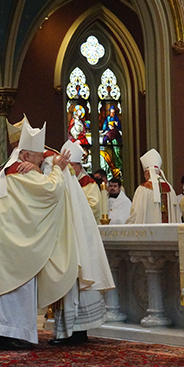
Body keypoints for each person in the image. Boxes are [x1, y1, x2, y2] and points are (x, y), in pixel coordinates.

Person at [0, 121, 78, 350]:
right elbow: (51, 191)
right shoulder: (21, 171)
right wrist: (59, 167)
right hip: (14, 241)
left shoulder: (3, 169)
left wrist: (42, 167)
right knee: (15, 286)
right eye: (37, 156)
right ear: (26, 155)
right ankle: (7, 334)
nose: (39, 161)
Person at [42, 140, 115, 346]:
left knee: (75, 284)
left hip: (73, 241)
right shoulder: (69, 183)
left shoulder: (69, 184)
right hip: (71, 240)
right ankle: (68, 331)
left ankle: (74, 332)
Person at [126, 149, 181, 224]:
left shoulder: (142, 189)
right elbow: (177, 214)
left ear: (147, 172)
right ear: (159, 173)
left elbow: (136, 214)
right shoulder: (170, 189)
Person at [61, 140, 101, 223]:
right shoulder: (61, 181)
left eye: (71, 165)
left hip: (84, 224)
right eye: (65, 165)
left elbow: (94, 207)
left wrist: (73, 213)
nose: (68, 168)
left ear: (79, 166)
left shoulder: (89, 183)